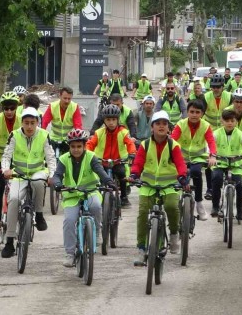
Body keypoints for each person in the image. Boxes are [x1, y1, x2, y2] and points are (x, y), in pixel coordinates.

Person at [130, 111, 188, 263]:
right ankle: (141, 248)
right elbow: (138, 162)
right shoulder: (145, 144)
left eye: (164, 124)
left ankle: (174, 234)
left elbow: (180, 163)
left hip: (168, 185)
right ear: (152, 127)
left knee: (171, 206)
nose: (161, 127)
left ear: (169, 128)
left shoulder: (173, 145)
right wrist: (134, 174)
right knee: (143, 212)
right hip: (148, 185)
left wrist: (182, 177)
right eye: (158, 124)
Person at [52, 129, 115, 267]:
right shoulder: (63, 159)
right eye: (73, 147)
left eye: (79, 146)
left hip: (90, 192)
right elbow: (57, 175)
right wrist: (57, 183)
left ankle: (97, 232)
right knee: (69, 221)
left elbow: (100, 171)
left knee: (96, 206)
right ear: (69, 147)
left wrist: (108, 181)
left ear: (85, 146)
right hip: (72, 196)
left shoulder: (91, 157)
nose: (76, 150)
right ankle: (69, 253)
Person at [0, 107, 56, 258]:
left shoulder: (44, 135)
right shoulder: (14, 135)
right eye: (26, 123)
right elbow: (6, 156)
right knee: (14, 199)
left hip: (38, 171)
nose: (30, 126)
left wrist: (51, 175)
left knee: (38, 183)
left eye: (33, 122)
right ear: (22, 123)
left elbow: (50, 158)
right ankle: (10, 241)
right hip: (18, 174)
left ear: (38, 122)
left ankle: (38, 214)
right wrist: (6, 169)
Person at [171, 100, 217, 221]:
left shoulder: (206, 126)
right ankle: (177, 203)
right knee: (178, 178)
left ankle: (199, 203)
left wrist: (212, 155)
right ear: (187, 112)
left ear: (202, 114)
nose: (194, 115)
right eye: (192, 112)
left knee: (196, 173)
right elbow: (172, 140)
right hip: (181, 158)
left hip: (198, 158)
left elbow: (211, 142)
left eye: (197, 112)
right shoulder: (181, 124)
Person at [210, 109, 242, 220]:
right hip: (220, 163)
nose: (230, 123)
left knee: (240, 185)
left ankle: (240, 208)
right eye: (227, 121)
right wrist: (211, 155)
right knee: (216, 179)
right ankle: (215, 206)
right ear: (222, 121)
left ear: (236, 122)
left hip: (237, 164)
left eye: (232, 120)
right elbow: (210, 145)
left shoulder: (239, 134)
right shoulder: (216, 133)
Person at [86, 105, 137, 207]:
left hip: (117, 161)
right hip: (102, 161)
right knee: (98, 178)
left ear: (118, 120)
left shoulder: (123, 132)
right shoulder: (99, 133)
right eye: (108, 120)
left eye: (114, 119)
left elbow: (130, 143)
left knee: (122, 174)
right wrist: (87, 154)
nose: (111, 122)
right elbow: (90, 144)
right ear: (104, 121)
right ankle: (99, 197)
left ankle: (123, 197)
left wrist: (132, 153)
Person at [0, 92, 21, 245]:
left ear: (16, 107)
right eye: (6, 108)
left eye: (12, 108)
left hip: (17, 156)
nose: (9, 111)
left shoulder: (22, 120)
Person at [42, 86, 82, 155]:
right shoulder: (52, 106)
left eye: (69, 99)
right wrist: (41, 135)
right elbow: (44, 122)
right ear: (60, 96)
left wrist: (79, 138)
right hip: (54, 138)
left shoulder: (75, 107)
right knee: (48, 156)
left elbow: (78, 125)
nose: (67, 101)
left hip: (68, 139)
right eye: (65, 98)